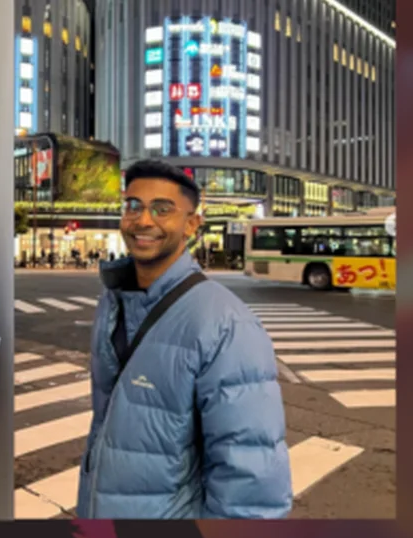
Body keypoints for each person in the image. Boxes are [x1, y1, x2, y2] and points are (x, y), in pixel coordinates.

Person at [77, 159, 291, 519]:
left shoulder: (225, 322)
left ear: (192, 224)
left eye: (163, 209)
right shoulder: (113, 300)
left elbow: (252, 478)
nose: (144, 221)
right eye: (133, 206)